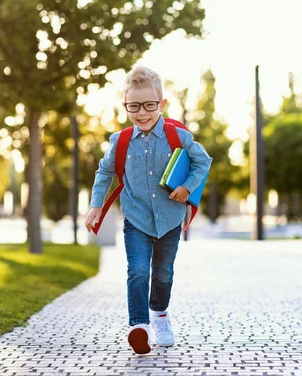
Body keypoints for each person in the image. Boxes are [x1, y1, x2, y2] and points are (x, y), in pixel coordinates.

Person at [85, 65, 212, 354]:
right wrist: (95, 206)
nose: (142, 113)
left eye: (149, 105)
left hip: (170, 218)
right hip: (136, 219)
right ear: (125, 105)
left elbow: (203, 161)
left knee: (163, 272)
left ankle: (159, 315)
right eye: (134, 106)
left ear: (162, 104)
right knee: (138, 271)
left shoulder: (177, 136)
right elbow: (104, 173)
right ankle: (139, 326)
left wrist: (188, 187)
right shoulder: (120, 141)